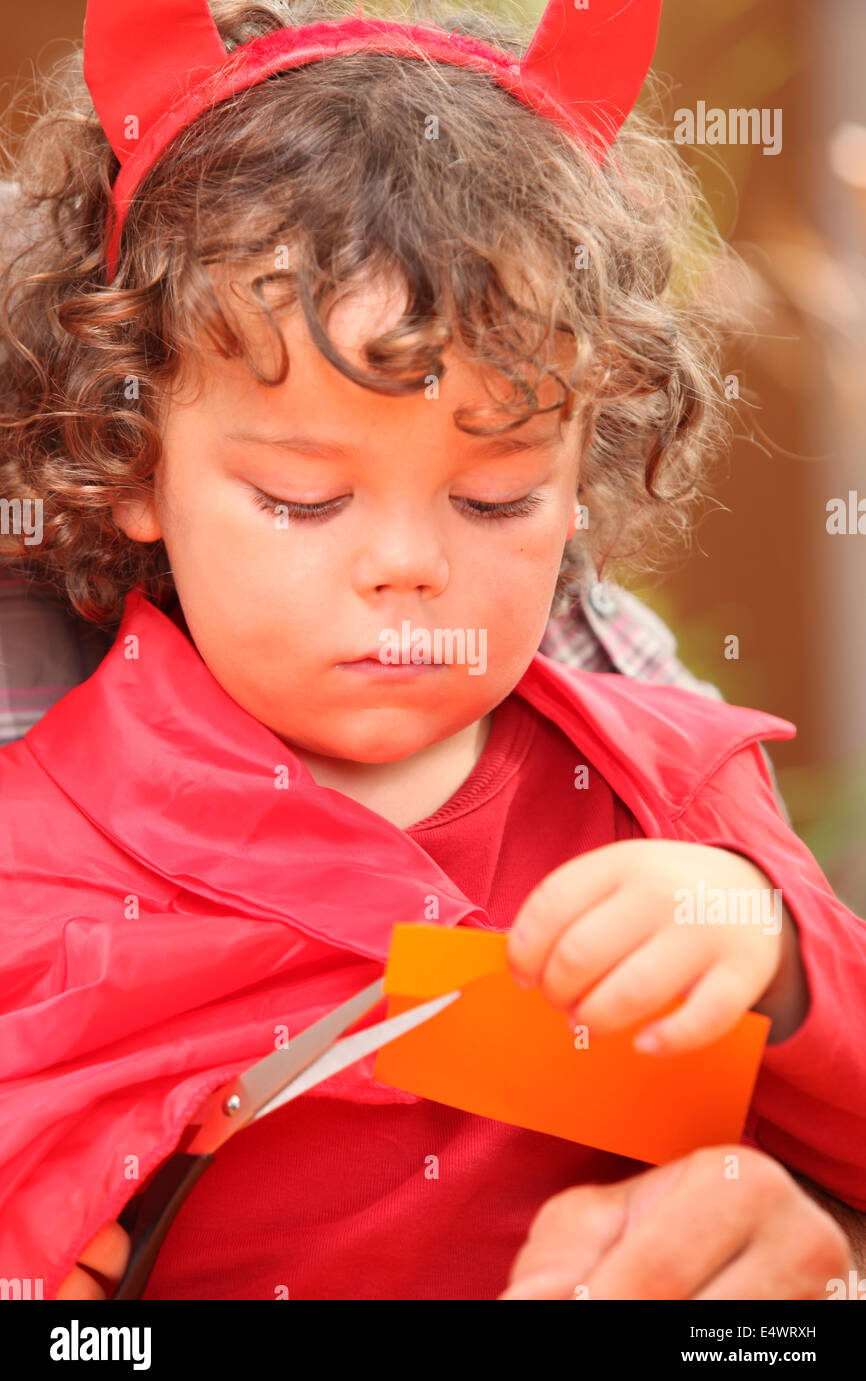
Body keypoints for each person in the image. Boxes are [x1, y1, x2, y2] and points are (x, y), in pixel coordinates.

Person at [0, 0, 862, 1302]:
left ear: (582, 484)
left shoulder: (667, 804)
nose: (405, 564)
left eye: (494, 496)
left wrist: (781, 966)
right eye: (300, 497)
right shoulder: (33, 853)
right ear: (133, 465)